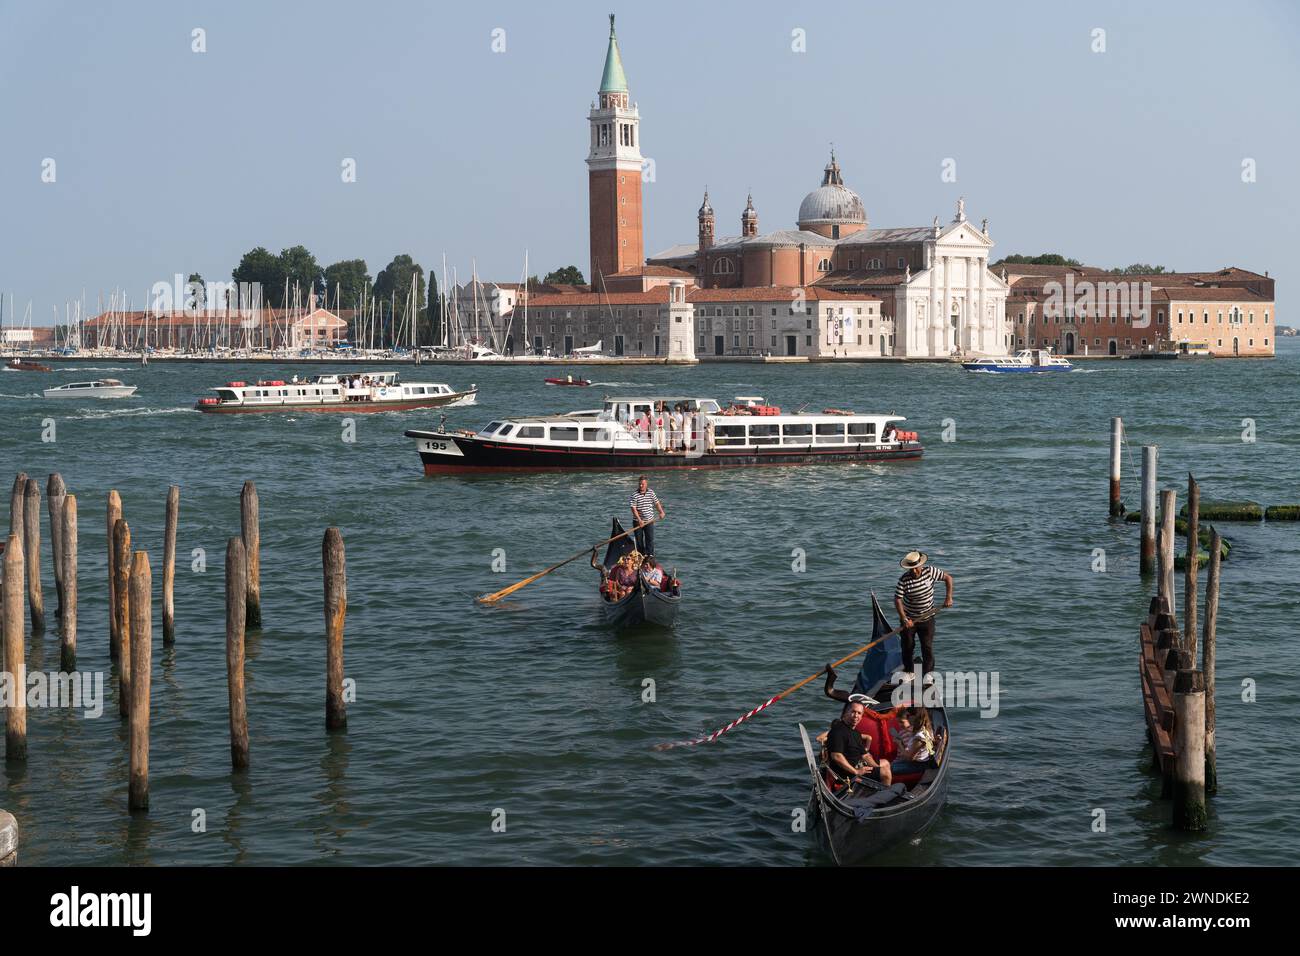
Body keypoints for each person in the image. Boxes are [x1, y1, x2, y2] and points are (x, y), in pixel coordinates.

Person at [894, 551, 953, 677]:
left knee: (927, 648)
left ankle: (928, 674)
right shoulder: (904, 580)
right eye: (912, 569)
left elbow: (948, 578)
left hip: (927, 618)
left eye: (916, 568)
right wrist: (904, 618)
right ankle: (909, 672)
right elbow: (898, 600)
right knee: (908, 647)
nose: (915, 571)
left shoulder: (930, 571)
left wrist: (948, 597)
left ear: (921, 565)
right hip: (909, 619)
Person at [826, 701, 891, 786]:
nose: (856, 716)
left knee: (885, 762)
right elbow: (836, 756)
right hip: (847, 773)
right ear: (846, 713)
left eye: (859, 713)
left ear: (861, 716)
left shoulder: (856, 733)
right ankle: (884, 796)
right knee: (885, 773)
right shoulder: (838, 731)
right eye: (853, 712)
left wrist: (876, 768)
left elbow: (865, 755)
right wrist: (856, 771)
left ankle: (878, 789)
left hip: (858, 765)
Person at [889, 707, 937, 775]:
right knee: (888, 765)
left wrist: (899, 744)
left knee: (889, 769)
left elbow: (909, 758)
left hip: (919, 765)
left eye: (909, 716)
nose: (908, 719)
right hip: (920, 762)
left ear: (915, 717)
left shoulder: (919, 737)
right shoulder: (926, 728)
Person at [628, 476, 664, 557]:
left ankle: (650, 556)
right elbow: (633, 509)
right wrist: (639, 520)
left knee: (650, 540)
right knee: (639, 541)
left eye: (643, 484)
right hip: (638, 522)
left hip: (649, 521)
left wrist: (661, 512)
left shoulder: (651, 492)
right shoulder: (634, 495)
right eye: (640, 484)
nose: (641, 485)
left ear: (646, 484)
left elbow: (656, 503)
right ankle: (641, 556)